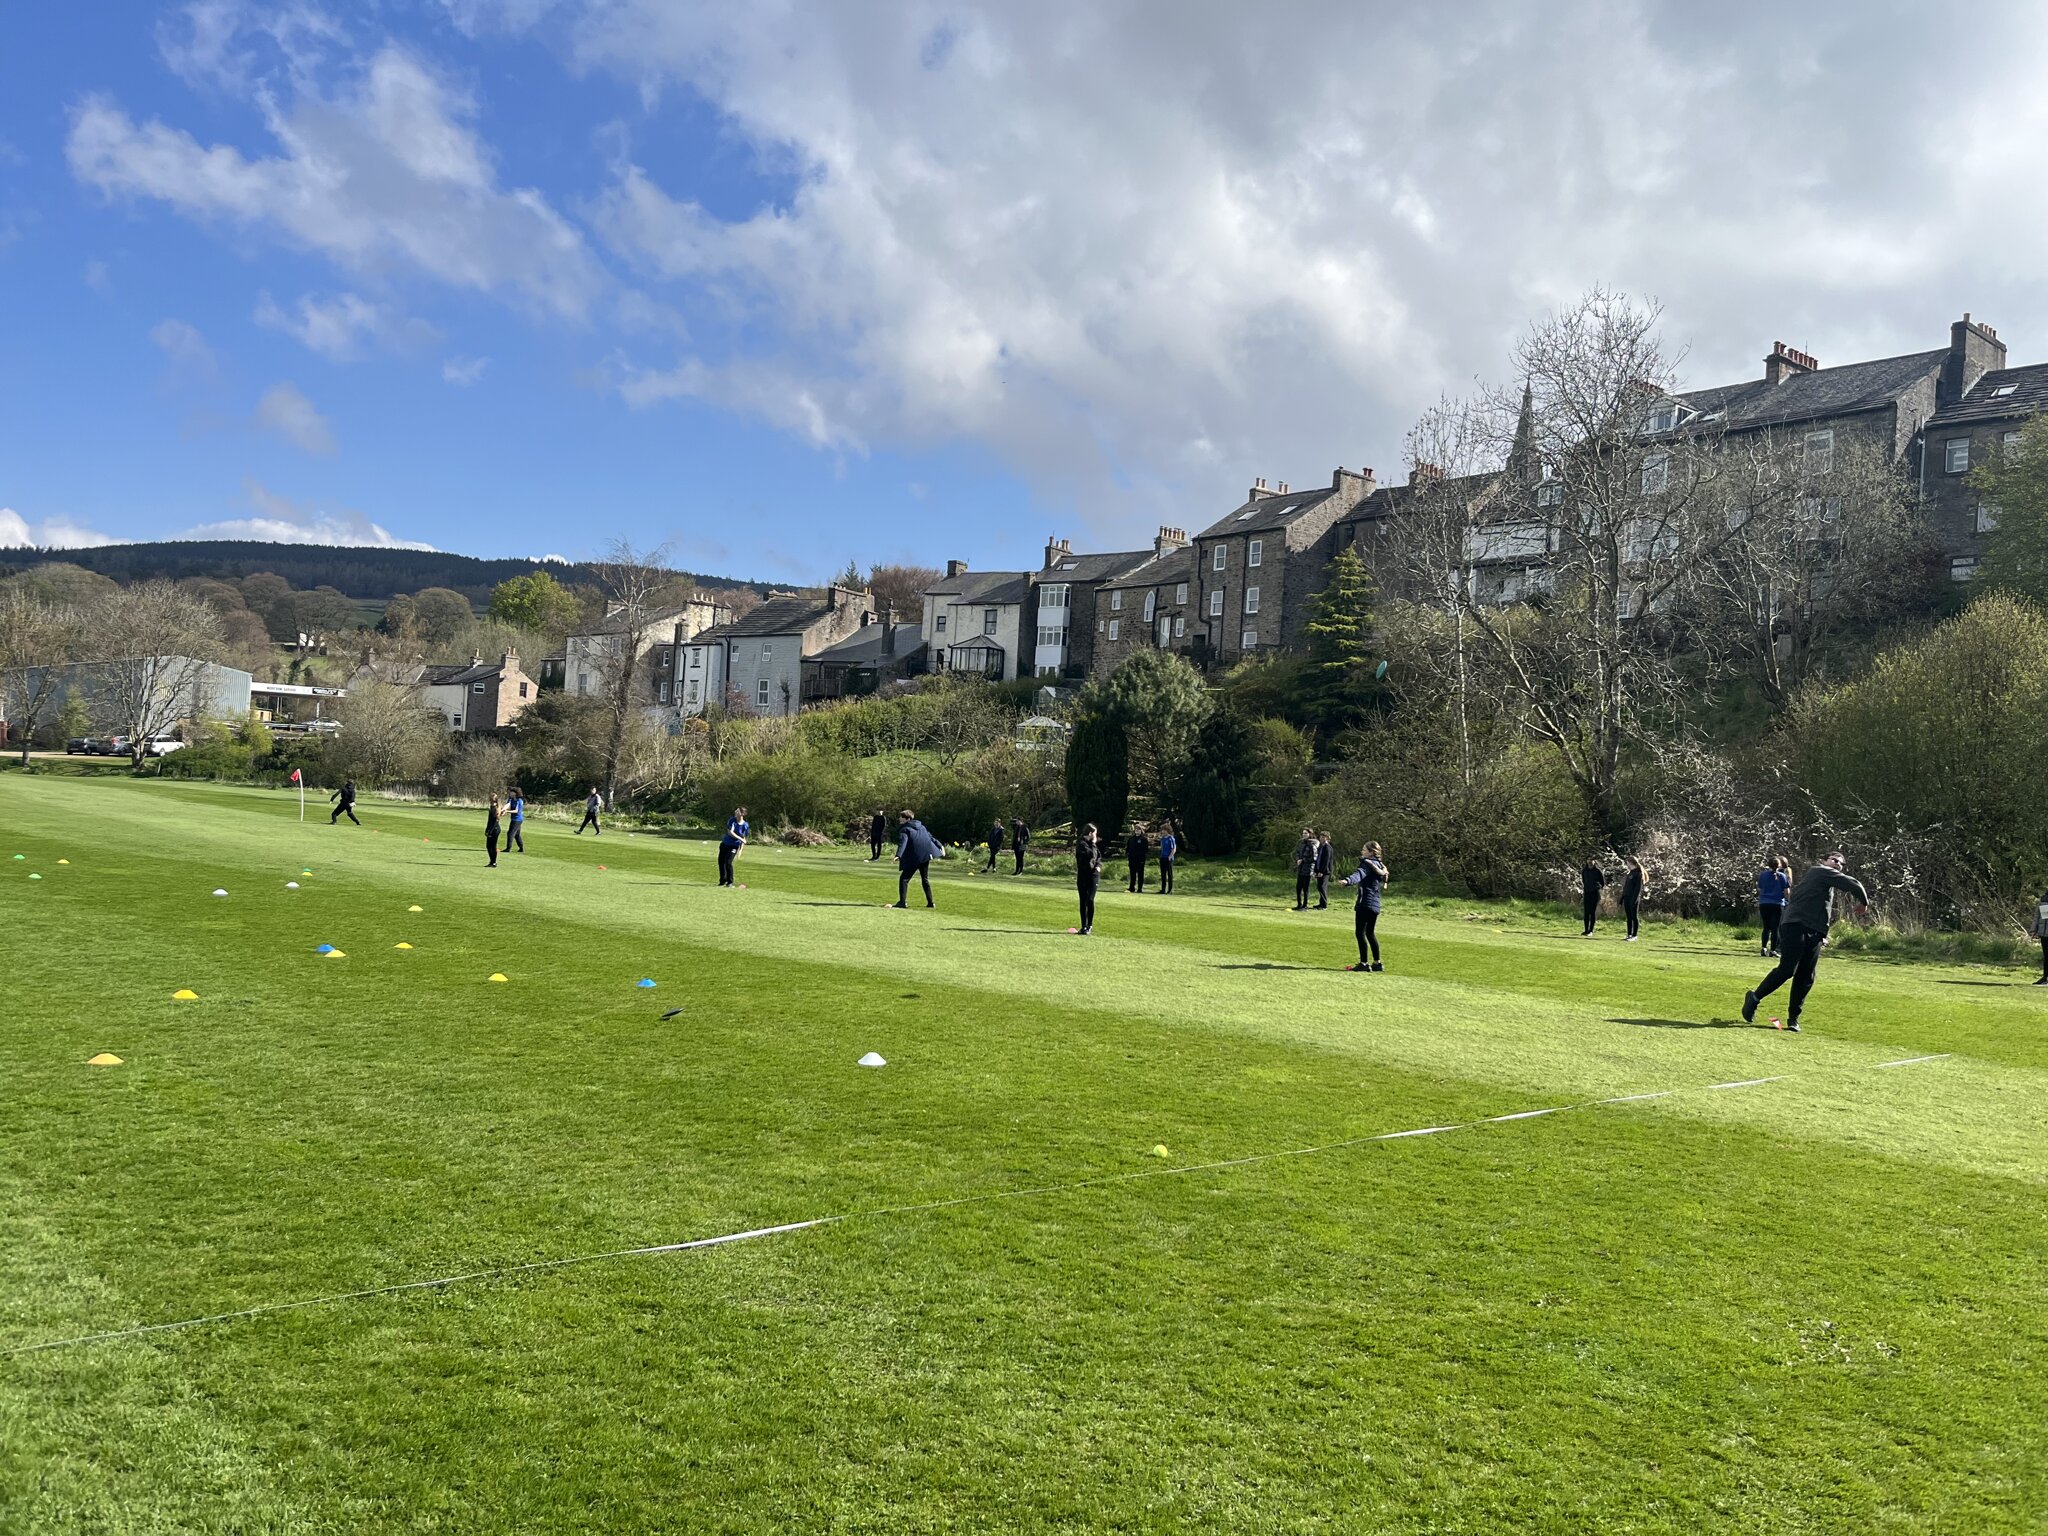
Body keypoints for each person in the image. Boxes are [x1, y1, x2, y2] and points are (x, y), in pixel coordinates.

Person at [1742, 851, 1870, 1033]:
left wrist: (1822, 933)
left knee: (1806, 975)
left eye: (1841, 864)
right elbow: (1853, 884)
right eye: (1834, 860)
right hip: (1796, 925)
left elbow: (1819, 909)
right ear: (1823, 861)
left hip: (1814, 931)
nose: (1838, 865)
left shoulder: (1827, 883)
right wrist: (1864, 902)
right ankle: (1754, 998)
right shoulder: (1819, 871)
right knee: (1788, 969)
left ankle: (1793, 1019)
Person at [1336, 841, 1390, 971]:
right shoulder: (1381, 866)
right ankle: (1377, 963)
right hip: (1375, 903)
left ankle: (1364, 963)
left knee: (1360, 933)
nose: (1362, 852)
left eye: (1364, 850)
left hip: (1365, 902)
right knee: (1370, 933)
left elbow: (1358, 875)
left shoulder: (1367, 864)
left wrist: (1347, 881)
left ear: (1371, 852)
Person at [893, 808, 941, 908]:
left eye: (901, 817)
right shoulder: (922, 827)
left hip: (914, 858)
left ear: (907, 819)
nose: (899, 819)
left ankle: (902, 902)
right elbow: (930, 837)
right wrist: (940, 846)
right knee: (925, 879)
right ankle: (931, 903)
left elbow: (903, 843)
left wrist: (898, 855)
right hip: (925, 856)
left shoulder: (905, 829)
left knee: (904, 879)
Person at [1756, 854, 1791, 957]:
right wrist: (1786, 900)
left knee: (1766, 927)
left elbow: (1760, 888)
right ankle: (1773, 950)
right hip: (1777, 903)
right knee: (1775, 928)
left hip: (1764, 903)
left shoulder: (1763, 875)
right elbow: (1786, 891)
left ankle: (1763, 947)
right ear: (1779, 865)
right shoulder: (1782, 876)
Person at [1075, 823, 1102, 934]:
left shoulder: (1093, 845)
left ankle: (1089, 926)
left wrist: (1098, 866)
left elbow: (1098, 858)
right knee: (1083, 901)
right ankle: (1084, 926)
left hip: (1093, 875)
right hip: (1083, 875)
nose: (1096, 836)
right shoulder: (1081, 844)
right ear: (1090, 833)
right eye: (1095, 833)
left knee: (1090, 899)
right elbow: (1090, 855)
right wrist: (1094, 844)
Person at [718, 806, 749, 887]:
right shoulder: (732, 820)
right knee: (721, 862)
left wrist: (741, 849)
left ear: (742, 814)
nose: (735, 812)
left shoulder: (745, 825)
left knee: (728, 862)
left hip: (734, 846)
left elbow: (744, 837)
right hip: (725, 844)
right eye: (736, 811)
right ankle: (722, 881)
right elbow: (730, 832)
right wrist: (741, 839)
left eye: (737, 811)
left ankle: (730, 882)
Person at [1620, 855, 1646, 942]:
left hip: (1633, 898)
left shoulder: (1638, 874)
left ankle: (1634, 935)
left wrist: (1634, 900)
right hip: (1627, 897)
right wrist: (1622, 897)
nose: (1626, 864)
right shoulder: (1630, 873)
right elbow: (1626, 887)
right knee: (1629, 917)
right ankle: (1629, 934)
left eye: (1627, 862)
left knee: (1634, 916)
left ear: (1631, 863)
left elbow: (1637, 889)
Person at [1292, 829, 1317, 911]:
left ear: (1310, 834)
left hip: (1308, 869)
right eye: (1303, 833)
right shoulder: (1302, 843)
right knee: (1298, 887)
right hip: (1301, 868)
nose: (1304, 835)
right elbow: (1298, 853)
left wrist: (1303, 860)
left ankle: (1305, 905)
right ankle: (1299, 904)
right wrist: (1298, 859)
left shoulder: (1312, 845)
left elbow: (1313, 858)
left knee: (1305, 888)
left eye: (1306, 833)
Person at [1580, 857, 1606, 936]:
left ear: (1595, 861)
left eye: (1592, 860)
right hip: (1587, 892)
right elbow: (1584, 880)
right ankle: (1586, 930)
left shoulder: (1597, 871)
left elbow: (1603, 882)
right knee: (1586, 912)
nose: (1590, 861)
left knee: (1592, 911)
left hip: (1595, 893)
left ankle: (1591, 930)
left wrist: (1596, 887)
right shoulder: (1584, 871)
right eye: (1588, 859)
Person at [1313, 832, 1334, 909]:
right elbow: (1318, 859)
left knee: (1322, 887)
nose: (1321, 839)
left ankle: (1324, 905)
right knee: (1319, 886)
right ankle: (1321, 903)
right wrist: (1316, 870)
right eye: (1320, 837)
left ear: (1327, 838)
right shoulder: (1321, 847)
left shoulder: (1328, 848)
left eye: (1323, 837)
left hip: (1325, 871)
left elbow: (1326, 861)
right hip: (1319, 870)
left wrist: (1322, 871)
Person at [1126, 825, 1150, 892]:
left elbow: (1146, 850)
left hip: (1140, 860)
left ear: (1141, 831)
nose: (1137, 831)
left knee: (1140, 874)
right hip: (1132, 859)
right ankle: (1131, 887)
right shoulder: (1131, 839)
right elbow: (1128, 849)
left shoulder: (1144, 839)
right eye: (1136, 829)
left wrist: (1142, 858)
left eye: (1138, 829)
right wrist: (1128, 856)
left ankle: (1140, 888)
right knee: (1132, 874)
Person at [1157, 824, 1178, 894]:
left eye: (1164, 830)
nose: (1163, 831)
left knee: (1169, 874)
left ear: (1167, 830)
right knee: (1163, 874)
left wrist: (1170, 856)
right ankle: (1163, 889)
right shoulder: (1162, 839)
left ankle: (1170, 890)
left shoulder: (1171, 838)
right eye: (1162, 830)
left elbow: (1174, 849)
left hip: (1169, 858)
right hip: (1162, 857)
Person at [506, 786, 527, 853]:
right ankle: (521, 848)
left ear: (515, 793)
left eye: (511, 792)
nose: (509, 793)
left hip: (517, 820)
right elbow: (508, 806)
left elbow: (516, 811)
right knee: (517, 834)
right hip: (514, 819)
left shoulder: (519, 801)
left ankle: (508, 848)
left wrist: (507, 811)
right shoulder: (512, 800)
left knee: (510, 833)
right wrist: (503, 810)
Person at [486, 795, 502, 868]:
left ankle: (494, 862)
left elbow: (495, 821)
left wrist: (490, 831)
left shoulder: (495, 808)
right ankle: (491, 861)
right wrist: (487, 829)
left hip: (495, 829)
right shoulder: (492, 807)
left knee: (492, 846)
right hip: (491, 829)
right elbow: (489, 820)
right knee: (489, 846)